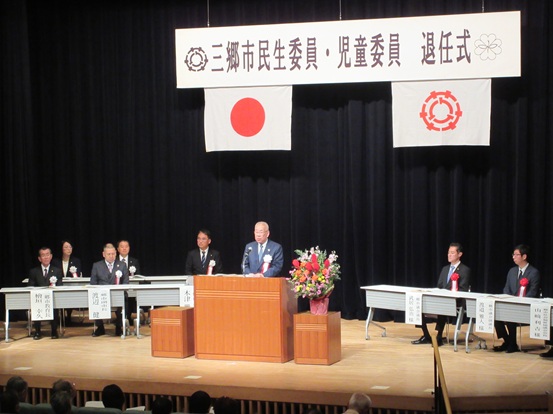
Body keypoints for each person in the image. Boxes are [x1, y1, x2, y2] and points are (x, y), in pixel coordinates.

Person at [412, 242, 471, 346]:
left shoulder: (464, 270)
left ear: (459, 254)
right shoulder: (445, 269)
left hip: (455, 301)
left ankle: (438, 336)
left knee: (442, 305)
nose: (449, 255)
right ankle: (426, 335)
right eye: (448, 252)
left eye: (452, 253)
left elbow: (463, 289)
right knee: (418, 305)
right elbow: (439, 286)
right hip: (441, 298)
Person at [494, 244, 540, 353]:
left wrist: (519, 302)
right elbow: (506, 288)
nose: (513, 257)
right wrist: (509, 299)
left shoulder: (533, 272)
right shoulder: (512, 271)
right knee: (495, 313)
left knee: (511, 315)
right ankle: (508, 341)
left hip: (526, 305)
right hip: (512, 303)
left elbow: (533, 292)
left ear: (524, 256)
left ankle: (512, 344)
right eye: (513, 254)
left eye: (516, 255)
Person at [90, 244, 129, 337]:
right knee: (94, 299)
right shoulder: (97, 266)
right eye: (109, 254)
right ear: (104, 254)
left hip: (118, 294)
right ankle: (100, 327)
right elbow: (93, 283)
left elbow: (126, 282)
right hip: (101, 295)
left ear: (116, 253)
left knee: (124, 299)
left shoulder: (122, 265)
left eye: (113, 254)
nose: (111, 256)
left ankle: (119, 327)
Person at [27, 247, 63, 339]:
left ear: (51, 256)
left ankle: (54, 331)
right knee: (36, 306)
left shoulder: (57, 270)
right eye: (43, 255)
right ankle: (37, 331)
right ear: (39, 258)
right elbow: (30, 286)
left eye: (47, 255)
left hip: (52, 298)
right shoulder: (34, 271)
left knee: (55, 307)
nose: (46, 257)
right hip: (38, 298)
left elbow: (60, 285)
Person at [52, 240, 83, 325]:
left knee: (70, 296)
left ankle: (69, 315)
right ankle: (61, 316)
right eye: (66, 247)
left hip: (71, 285)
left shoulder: (76, 260)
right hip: (59, 285)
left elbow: (78, 273)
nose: (69, 249)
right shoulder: (56, 261)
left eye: (70, 247)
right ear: (61, 249)